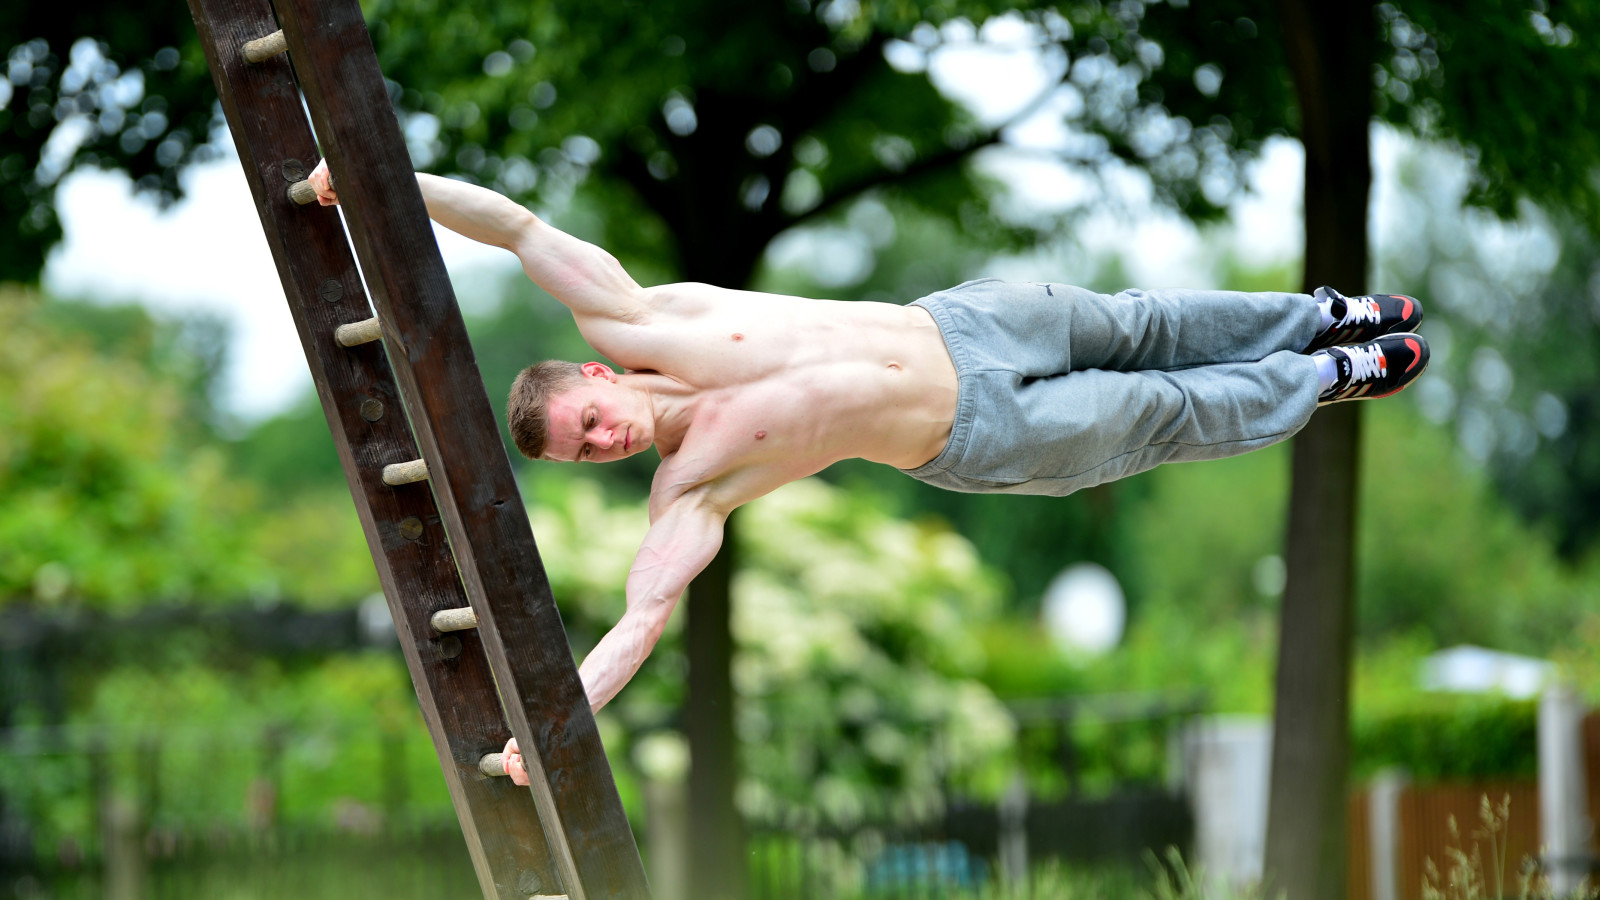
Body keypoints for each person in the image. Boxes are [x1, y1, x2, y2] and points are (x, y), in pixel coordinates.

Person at [307, 161, 1427, 787]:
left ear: (595, 370)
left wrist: (367, 176)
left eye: (590, 419)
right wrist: (546, 730)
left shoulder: (643, 312)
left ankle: (1319, 315)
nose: (604, 441)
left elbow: (512, 225)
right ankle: (1329, 376)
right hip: (975, 435)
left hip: (965, 323)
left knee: (1144, 324)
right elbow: (639, 623)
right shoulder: (689, 491)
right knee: (1158, 410)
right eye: (586, 451)